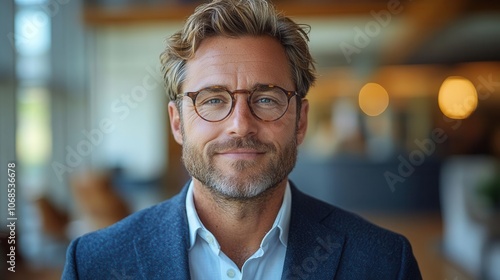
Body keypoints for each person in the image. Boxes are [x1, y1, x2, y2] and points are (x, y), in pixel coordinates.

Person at [62, 0, 422, 279]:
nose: (240, 125)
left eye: (266, 99)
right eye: (213, 99)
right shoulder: (94, 264)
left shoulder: (384, 262)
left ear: (301, 121)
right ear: (177, 123)